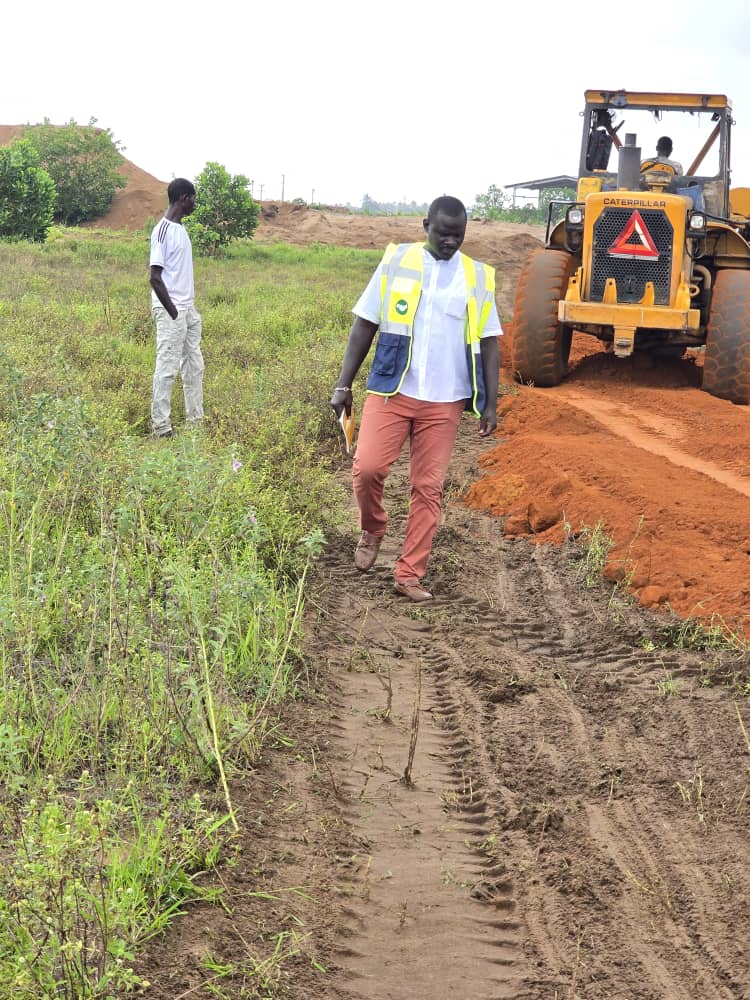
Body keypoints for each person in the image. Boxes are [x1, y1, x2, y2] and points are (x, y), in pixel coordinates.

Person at [329, 195, 501, 603]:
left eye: (458, 235)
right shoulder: (396, 261)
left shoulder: (476, 277)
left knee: (428, 487)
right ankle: (373, 527)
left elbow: (491, 342)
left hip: (445, 401)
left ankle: (409, 573)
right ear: (426, 225)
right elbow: (364, 323)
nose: (450, 241)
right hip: (393, 387)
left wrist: (491, 402)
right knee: (367, 469)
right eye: (443, 233)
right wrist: (342, 383)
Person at [149, 177, 204, 438]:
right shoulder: (162, 231)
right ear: (184, 198)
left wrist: (187, 311)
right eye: (193, 199)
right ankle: (161, 427)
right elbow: (154, 277)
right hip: (172, 310)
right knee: (167, 368)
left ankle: (196, 421)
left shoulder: (181, 229)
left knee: (194, 366)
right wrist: (172, 312)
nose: (194, 204)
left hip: (188, 310)